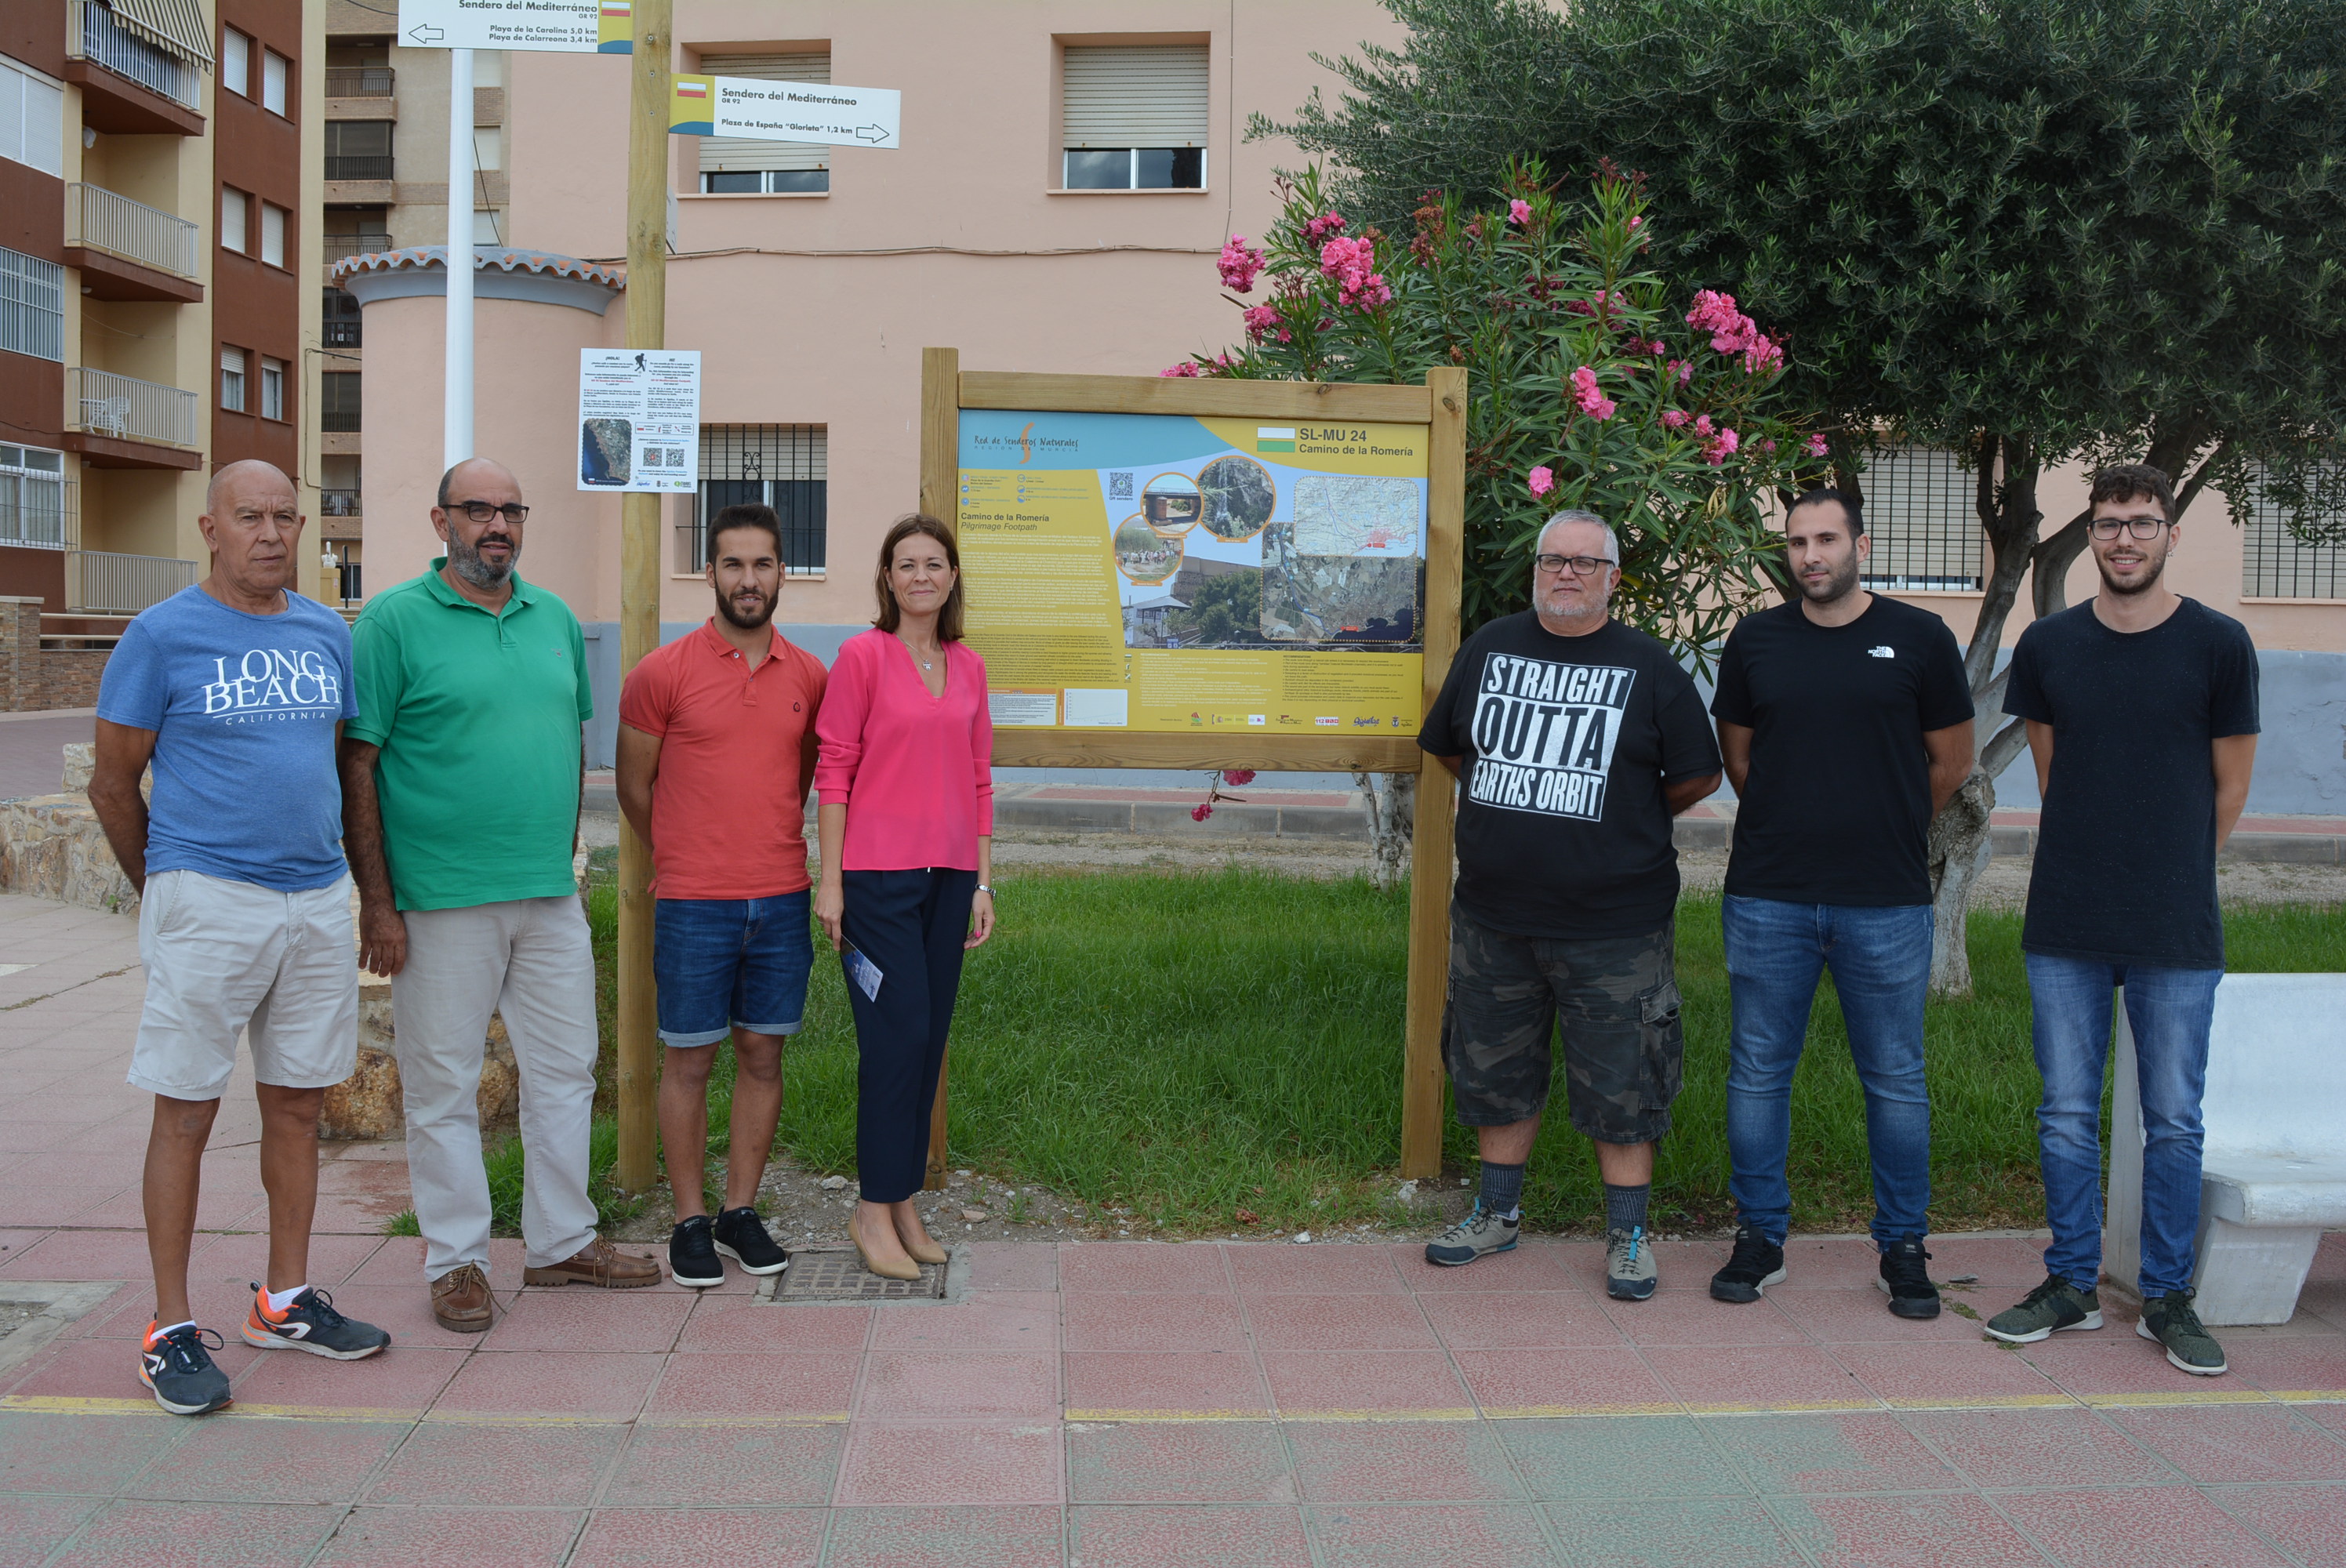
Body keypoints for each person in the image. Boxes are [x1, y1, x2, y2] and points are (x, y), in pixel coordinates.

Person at [89, 459, 390, 1416]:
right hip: (208, 897)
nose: (270, 533)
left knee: (299, 1106)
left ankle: (285, 1297)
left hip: (312, 899)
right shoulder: (161, 633)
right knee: (185, 1109)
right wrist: (164, 888)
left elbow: (345, 769)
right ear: (210, 527)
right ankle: (170, 1328)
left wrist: (362, 890)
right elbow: (111, 781)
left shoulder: (320, 632)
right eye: (249, 516)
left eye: (285, 518)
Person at [340, 457, 659, 1333]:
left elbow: (571, 741)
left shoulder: (552, 616)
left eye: (511, 510)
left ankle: (561, 1242)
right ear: (439, 521)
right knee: (442, 1084)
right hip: (439, 901)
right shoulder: (393, 623)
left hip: (547, 895)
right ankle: (457, 1262)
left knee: (564, 1071)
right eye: (477, 509)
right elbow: (357, 760)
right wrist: (378, 900)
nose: (498, 525)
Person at [1985, 463, 2258, 1376]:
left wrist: (2167, 869)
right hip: (2065, 914)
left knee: (2173, 1117)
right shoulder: (2050, 644)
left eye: (2142, 522)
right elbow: (2055, 775)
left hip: (2175, 922)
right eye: (2108, 523)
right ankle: (2069, 1282)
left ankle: (2167, 1295)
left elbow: (2229, 789)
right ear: (2090, 534)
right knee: (2065, 1111)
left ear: (2170, 532)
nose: (2125, 539)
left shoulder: (2219, 645)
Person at [1417, 510, 1723, 1298]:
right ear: (1535, 570)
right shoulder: (1489, 648)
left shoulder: (1649, 667)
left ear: (1612, 579)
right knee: (1493, 1071)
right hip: (1493, 915)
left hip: (1615, 926)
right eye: (1553, 559)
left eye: (1585, 564)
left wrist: (1624, 816)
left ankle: (1626, 1235)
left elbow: (1696, 773)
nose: (1566, 573)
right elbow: (1452, 747)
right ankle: (1495, 1214)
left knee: (1625, 1082)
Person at [1705, 489, 1975, 1316]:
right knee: (1757, 1072)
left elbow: (1950, 763)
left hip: (1884, 900)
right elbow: (1741, 763)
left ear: (1861, 541)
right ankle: (1759, 1234)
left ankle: (1901, 1244)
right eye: (1796, 542)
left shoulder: (1921, 637)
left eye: (1826, 539)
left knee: (1894, 1077)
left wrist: (1881, 823)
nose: (1811, 554)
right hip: (1769, 895)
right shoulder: (1754, 640)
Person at [617, 505, 826, 1287]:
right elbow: (636, 787)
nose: (748, 579)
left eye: (762, 564)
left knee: (762, 1053)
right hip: (694, 901)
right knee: (690, 1058)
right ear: (709, 572)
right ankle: (689, 1219)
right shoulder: (659, 673)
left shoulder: (809, 675)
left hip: (779, 896)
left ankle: (740, 1210)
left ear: (782, 573)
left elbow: (801, 776)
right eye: (732, 564)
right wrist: (683, 846)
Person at [812, 514, 997, 1279]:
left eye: (934, 562)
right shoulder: (862, 656)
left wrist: (983, 879)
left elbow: (981, 778)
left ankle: (901, 1200)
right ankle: (870, 1209)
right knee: (894, 1042)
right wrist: (831, 881)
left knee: (926, 1042)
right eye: (906, 563)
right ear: (888, 579)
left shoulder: (970, 666)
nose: (921, 574)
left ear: (952, 577)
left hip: (950, 878)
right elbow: (834, 768)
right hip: (878, 882)